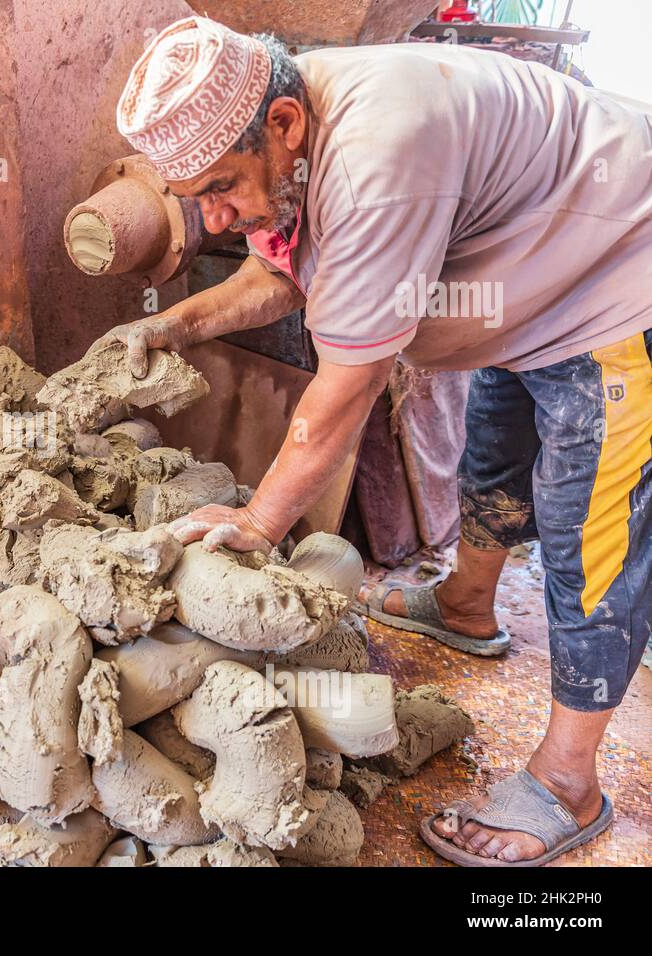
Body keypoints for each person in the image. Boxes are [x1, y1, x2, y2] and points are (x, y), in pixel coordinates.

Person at [107, 16, 651, 865]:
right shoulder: (286, 132)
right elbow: (280, 273)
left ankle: (568, 784)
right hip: (526, 278)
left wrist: (255, 525)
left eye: (222, 188)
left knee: (593, 530)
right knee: (494, 451)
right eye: (196, 200)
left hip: (618, 262)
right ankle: (469, 609)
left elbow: (342, 393)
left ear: (284, 126)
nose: (214, 217)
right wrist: (171, 327)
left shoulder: (374, 160)